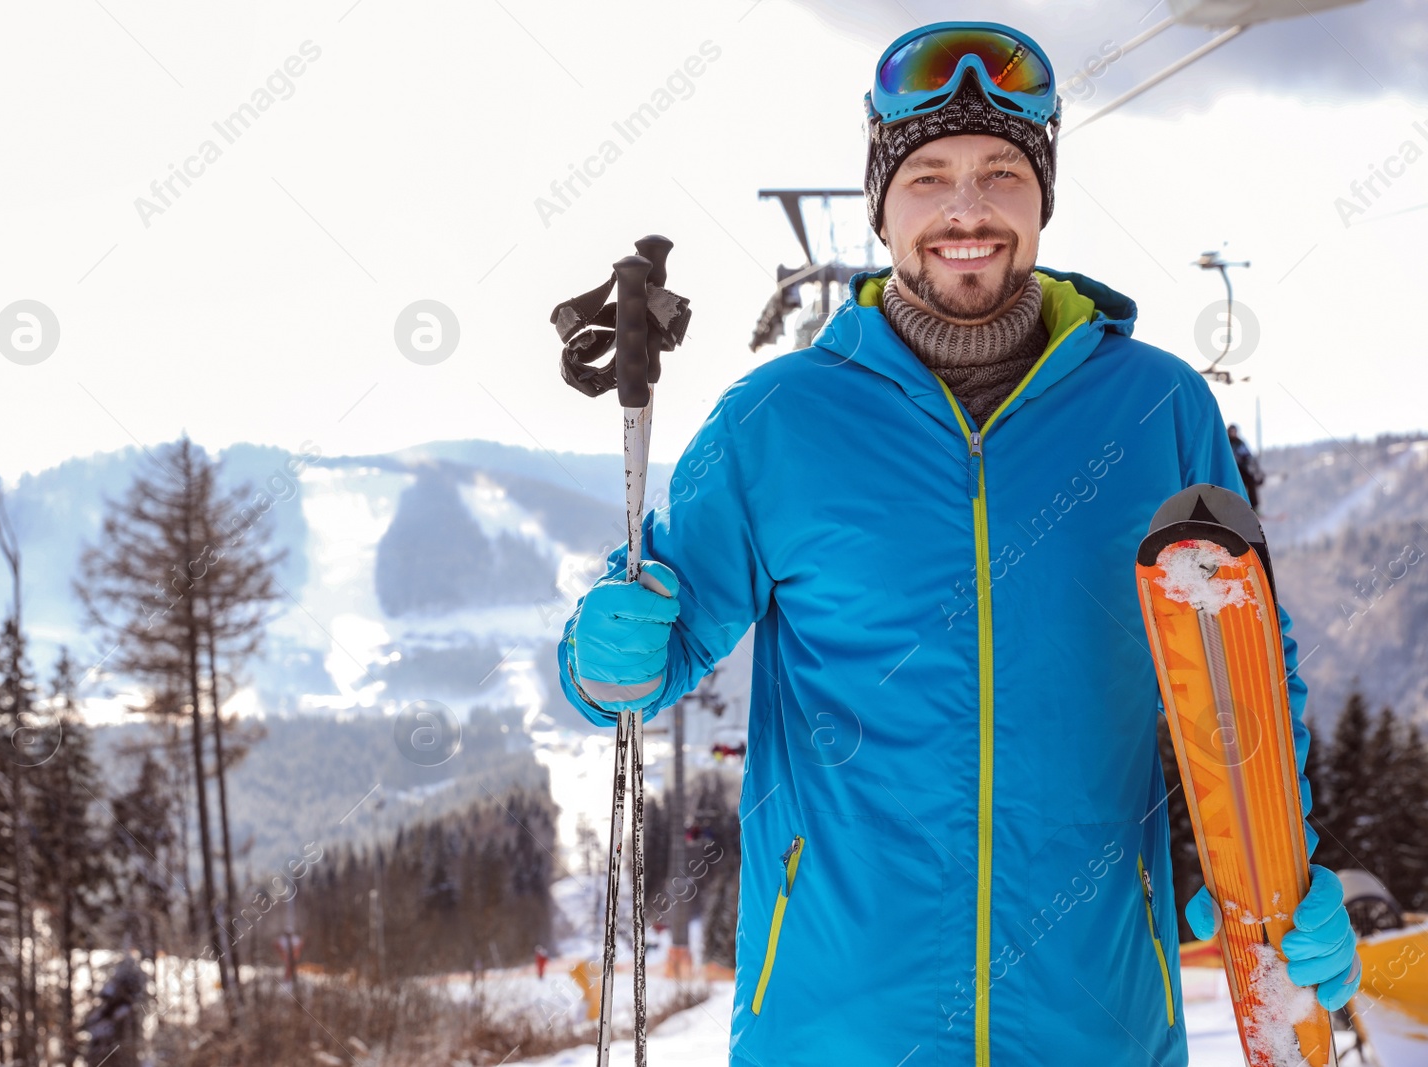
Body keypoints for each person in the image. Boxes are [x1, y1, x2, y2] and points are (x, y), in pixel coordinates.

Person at [556, 21, 1359, 1066]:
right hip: (831, 1029)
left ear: (1042, 197)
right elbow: (642, 668)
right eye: (928, 176)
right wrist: (601, 650)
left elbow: (1245, 670)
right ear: (883, 205)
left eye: (1000, 174)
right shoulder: (776, 420)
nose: (966, 209)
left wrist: (1281, 877)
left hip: (1093, 1023)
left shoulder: (1157, 407)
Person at [1227, 422, 1266, 511]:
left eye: (1234, 431)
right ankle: (1236, 504)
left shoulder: (1240, 443)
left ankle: (1254, 506)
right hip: (1232, 469)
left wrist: (1257, 471)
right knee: (1237, 485)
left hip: (1243, 468)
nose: (1233, 433)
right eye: (1231, 431)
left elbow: (1248, 456)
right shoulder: (1226, 443)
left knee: (1250, 482)